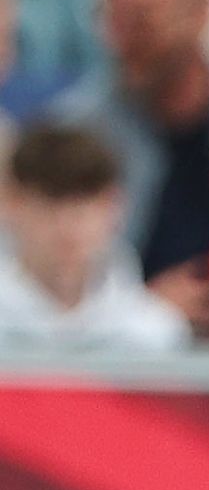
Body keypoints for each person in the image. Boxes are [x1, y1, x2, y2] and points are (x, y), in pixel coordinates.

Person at [60, 0, 209, 335]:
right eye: (111, 11)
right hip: (121, 374)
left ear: (203, 11)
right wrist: (142, 312)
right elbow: (37, 293)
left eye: (143, 16)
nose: (119, 37)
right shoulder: (74, 133)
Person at [0, 121, 191, 354]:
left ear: (115, 206)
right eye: (48, 205)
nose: (66, 226)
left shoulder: (154, 332)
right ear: (10, 203)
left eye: (82, 207)